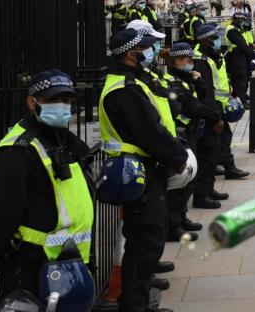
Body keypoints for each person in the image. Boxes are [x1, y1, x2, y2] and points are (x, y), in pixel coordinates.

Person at [0, 70, 93, 304]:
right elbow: (1, 209)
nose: (62, 106)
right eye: (53, 100)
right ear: (32, 102)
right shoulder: (18, 149)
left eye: (67, 99)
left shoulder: (60, 139)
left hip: (67, 262)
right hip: (32, 266)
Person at [98, 29, 188, 312]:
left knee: (146, 239)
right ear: (130, 53)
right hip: (137, 171)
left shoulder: (130, 82)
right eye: (146, 48)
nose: (151, 52)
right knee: (145, 241)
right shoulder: (125, 88)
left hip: (140, 168)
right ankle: (134, 304)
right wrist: (177, 156)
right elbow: (149, 131)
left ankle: (138, 298)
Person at [163, 42, 218, 234]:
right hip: (181, 133)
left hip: (191, 132)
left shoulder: (185, 79)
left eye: (190, 60)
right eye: (185, 60)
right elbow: (194, 107)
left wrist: (199, 83)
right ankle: (173, 224)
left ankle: (181, 217)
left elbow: (201, 99)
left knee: (189, 178)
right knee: (180, 179)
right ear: (175, 61)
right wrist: (212, 114)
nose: (189, 63)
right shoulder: (173, 82)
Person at [193, 22, 250, 183]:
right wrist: (215, 115)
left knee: (221, 138)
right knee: (219, 139)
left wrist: (230, 87)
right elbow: (207, 90)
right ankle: (227, 169)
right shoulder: (202, 60)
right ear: (205, 40)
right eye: (215, 37)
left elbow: (222, 75)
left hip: (220, 104)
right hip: (212, 107)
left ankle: (221, 167)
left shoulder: (215, 54)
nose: (219, 39)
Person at [224, 12, 255, 105]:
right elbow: (242, 45)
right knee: (240, 79)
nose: (244, 22)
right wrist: (254, 56)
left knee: (243, 78)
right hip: (236, 57)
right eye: (242, 20)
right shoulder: (232, 30)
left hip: (240, 56)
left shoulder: (237, 29)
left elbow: (245, 43)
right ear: (238, 19)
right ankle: (241, 102)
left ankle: (242, 97)